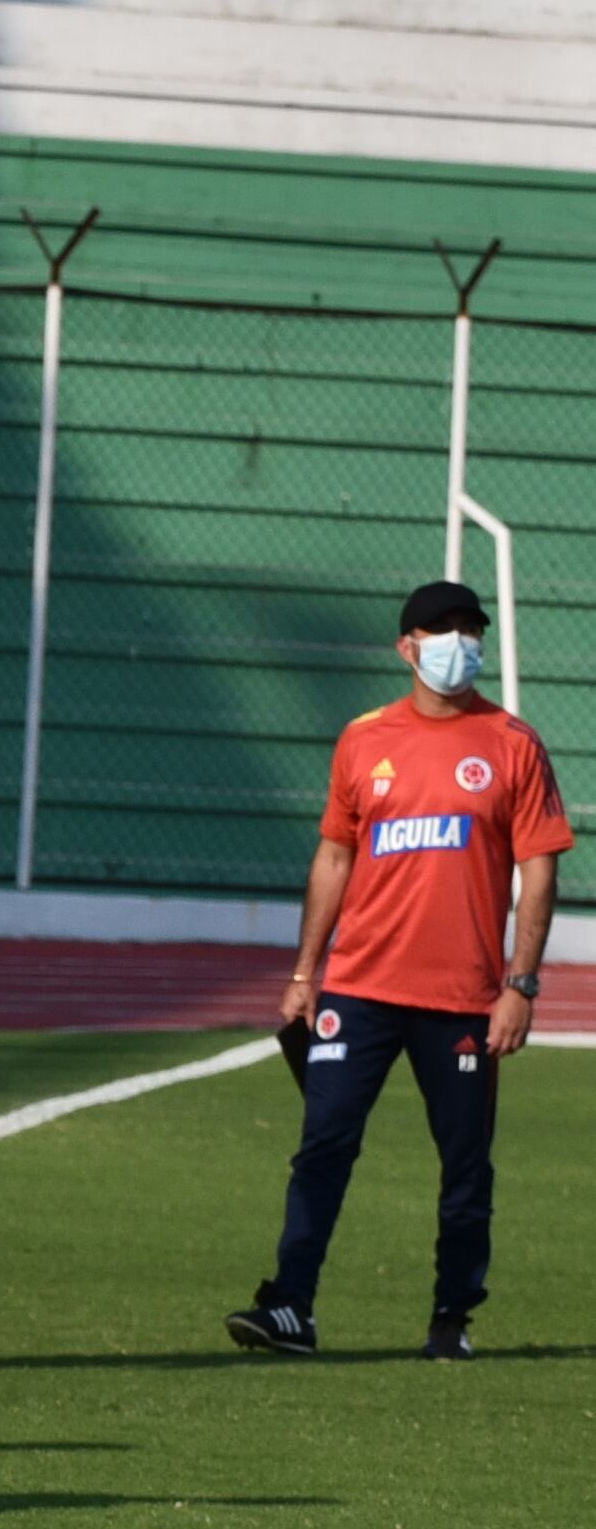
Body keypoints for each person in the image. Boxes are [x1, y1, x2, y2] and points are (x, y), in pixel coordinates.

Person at [229, 579, 564, 1361]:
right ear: (406, 646)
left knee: (464, 1167)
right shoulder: (363, 738)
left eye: (469, 628)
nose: (459, 642)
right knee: (324, 1144)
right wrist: (305, 972)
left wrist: (520, 984)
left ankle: (451, 1318)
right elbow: (335, 854)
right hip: (358, 989)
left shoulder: (513, 742)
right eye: (441, 628)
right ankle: (290, 1308)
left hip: (464, 1001)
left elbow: (540, 869)